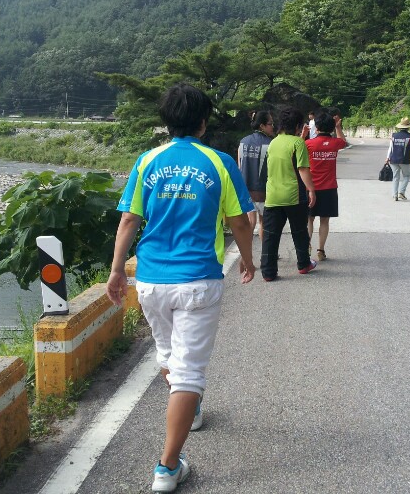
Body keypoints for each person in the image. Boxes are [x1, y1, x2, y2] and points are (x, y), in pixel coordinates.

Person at [106, 83, 256, 492]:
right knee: (188, 371)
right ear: (204, 122)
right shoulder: (219, 162)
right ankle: (167, 467)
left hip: (151, 280)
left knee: (168, 355)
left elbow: (129, 219)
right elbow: (240, 221)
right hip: (198, 280)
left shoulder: (148, 160)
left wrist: (117, 270)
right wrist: (247, 259)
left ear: (167, 121)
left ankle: (190, 410)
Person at [261, 106, 317, 281]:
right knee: (299, 232)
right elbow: (303, 169)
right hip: (294, 196)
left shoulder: (273, 142)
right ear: (298, 125)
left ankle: (268, 272)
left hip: (272, 196)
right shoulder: (298, 143)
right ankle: (304, 264)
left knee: (270, 236)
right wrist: (311, 190)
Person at [305, 110, 347, 261]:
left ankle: (306, 247)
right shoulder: (335, 143)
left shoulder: (308, 144)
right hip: (329, 188)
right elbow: (343, 141)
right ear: (331, 127)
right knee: (324, 220)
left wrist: (303, 135)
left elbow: (296, 150)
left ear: (316, 127)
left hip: (310, 188)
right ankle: (321, 250)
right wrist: (338, 127)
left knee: (309, 219)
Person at [237, 110, 275, 240]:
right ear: (262, 125)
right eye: (270, 124)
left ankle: (246, 251)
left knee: (250, 222)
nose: (273, 126)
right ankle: (265, 251)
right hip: (263, 191)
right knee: (263, 223)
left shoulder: (243, 142)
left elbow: (240, 166)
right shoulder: (270, 143)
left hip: (246, 191)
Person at [387, 117, 410, 201]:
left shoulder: (393, 135)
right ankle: (401, 192)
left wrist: (387, 157)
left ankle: (395, 195)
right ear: (408, 127)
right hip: (404, 160)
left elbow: (390, 148)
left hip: (393, 159)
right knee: (406, 176)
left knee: (395, 177)